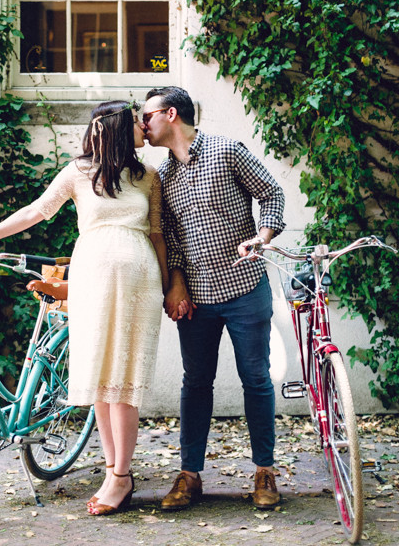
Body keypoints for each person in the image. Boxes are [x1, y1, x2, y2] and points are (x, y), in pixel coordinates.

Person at [0, 100, 168, 516]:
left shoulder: (148, 177)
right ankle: (113, 471)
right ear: (119, 129)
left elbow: (156, 234)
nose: (144, 126)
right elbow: (37, 211)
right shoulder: (77, 172)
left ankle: (121, 476)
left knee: (123, 381)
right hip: (91, 280)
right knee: (99, 380)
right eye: (136, 120)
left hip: (139, 285)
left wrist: (167, 286)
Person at [142, 86, 286, 511]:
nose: (142, 124)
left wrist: (261, 237)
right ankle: (190, 475)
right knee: (196, 382)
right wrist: (176, 282)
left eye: (146, 115)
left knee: (256, 379)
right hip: (197, 299)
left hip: (245, 288)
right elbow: (170, 236)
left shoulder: (227, 150)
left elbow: (272, 194)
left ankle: (265, 471)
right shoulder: (161, 177)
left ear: (170, 115)